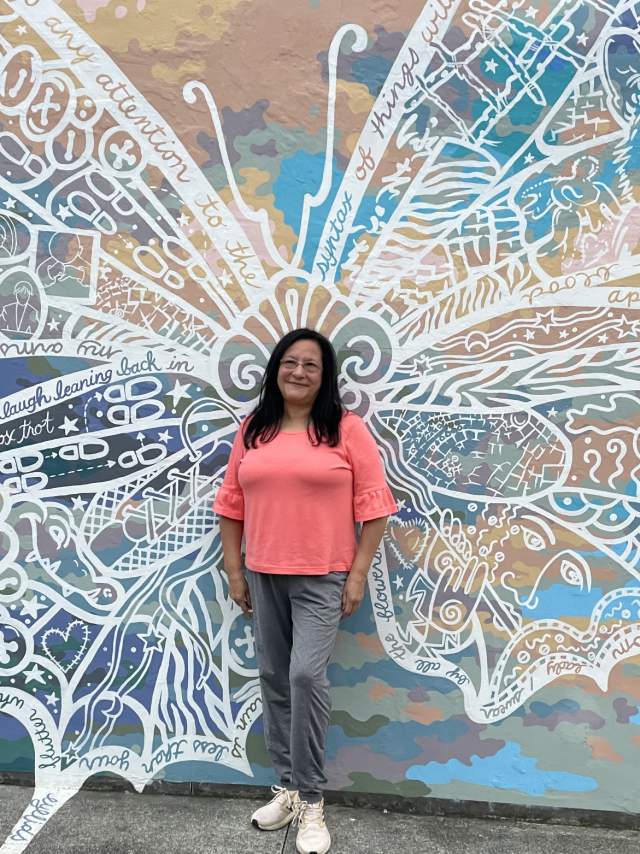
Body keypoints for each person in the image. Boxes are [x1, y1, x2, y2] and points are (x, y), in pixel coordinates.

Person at [214, 327, 397, 854]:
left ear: (325, 377)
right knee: (274, 677)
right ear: (275, 369)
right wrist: (234, 570)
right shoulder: (255, 429)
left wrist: (357, 574)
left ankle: (313, 801)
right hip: (264, 573)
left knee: (304, 676)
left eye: (311, 365)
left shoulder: (345, 429)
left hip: (323, 577)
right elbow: (232, 504)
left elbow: (375, 507)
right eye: (290, 362)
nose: (298, 372)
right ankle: (288, 788)